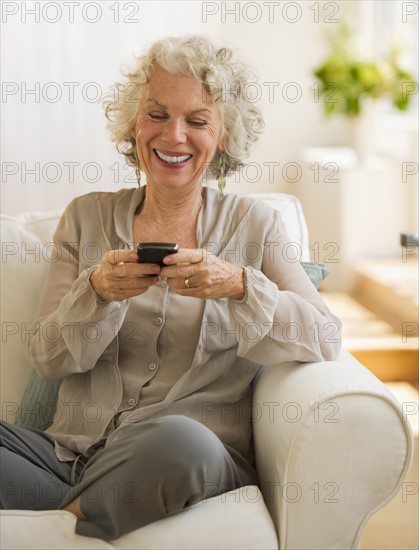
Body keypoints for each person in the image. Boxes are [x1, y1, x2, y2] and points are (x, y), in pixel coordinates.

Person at [0, 35, 341, 540]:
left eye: (197, 121)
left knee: (184, 443)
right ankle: (78, 509)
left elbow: (325, 337)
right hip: (66, 455)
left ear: (223, 135)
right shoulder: (85, 217)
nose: (173, 135)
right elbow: (49, 358)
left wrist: (238, 285)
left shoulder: (257, 225)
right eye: (156, 114)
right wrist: (95, 291)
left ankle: (53, 522)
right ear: (135, 124)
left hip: (181, 456)